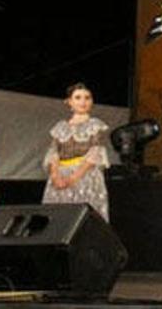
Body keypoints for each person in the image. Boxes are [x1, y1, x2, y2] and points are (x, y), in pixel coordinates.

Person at [42, 83, 111, 221]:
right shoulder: (60, 127)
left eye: (87, 98)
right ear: (69, 102)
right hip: (60, 176)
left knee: (84, 218)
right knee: (59, 219)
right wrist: (55, 176)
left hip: (84, 175)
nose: (83, 102)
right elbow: (54, 152)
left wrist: (72, 179)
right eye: (78, 97)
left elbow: (95, 152)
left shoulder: (95, 125)